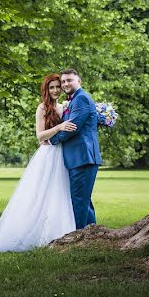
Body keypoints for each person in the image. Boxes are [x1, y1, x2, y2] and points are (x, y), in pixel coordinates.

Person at [0, 74, 77, 252]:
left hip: (62, 154)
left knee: (59, 193)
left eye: (58, 86)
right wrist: (59, 127)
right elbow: (40, 137)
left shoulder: (65, 107)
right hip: (48, 154)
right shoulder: (42, 108)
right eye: (52, 88)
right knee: (39, 194)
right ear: (46, 90)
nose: (56, 90)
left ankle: (59, 233)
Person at [48, 68, 101, 229]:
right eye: (63, 81)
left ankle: (78, 236)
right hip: (80, 157)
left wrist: (51, 140)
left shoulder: (81, 99)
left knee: (78, 200)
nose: (65, 84)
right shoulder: (75, 99)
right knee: (84, 200)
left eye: (69, 80)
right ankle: (91, 234)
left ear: (79, 81)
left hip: (82, 157)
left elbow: (72, 128)